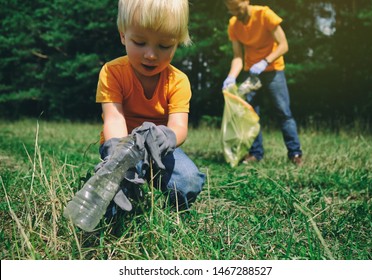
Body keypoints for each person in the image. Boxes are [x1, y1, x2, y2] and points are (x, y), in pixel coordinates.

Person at [95, 0, 205, 216]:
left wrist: (165, 137)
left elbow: (179, 126)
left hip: (160, 150)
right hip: (121, 146)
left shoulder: (178, 81)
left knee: (188, 180)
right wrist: (118, 159)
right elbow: (114, 119)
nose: (151, 55)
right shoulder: (112, 72)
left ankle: (175, 216)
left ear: (177, 43)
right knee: (111, 198)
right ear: (123, 35)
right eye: (140, 42)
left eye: (164, 46)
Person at [222, 0, 303, 166]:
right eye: (231, 10)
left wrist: (265, 62)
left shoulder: (265, 14)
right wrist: (231, 77)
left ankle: (295, 153)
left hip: (273, 70)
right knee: (251, 113)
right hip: (252, 73)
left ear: (246, 1)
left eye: (237, 8)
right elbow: (238, 57)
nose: (235, 13)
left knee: (283, 111)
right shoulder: (234, 25)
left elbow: (283, 45)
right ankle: (255, 153)